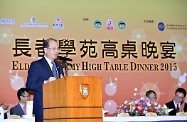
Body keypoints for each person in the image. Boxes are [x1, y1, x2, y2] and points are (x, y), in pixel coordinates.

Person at [26, 38, 64, 122]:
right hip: (43, 108)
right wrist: (46, 82)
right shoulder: (36, 65)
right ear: (45, 50)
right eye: (53, 48)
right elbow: (29, 85)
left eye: (58, 48)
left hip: (59, 107)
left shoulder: (59, 66)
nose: (56, 51)